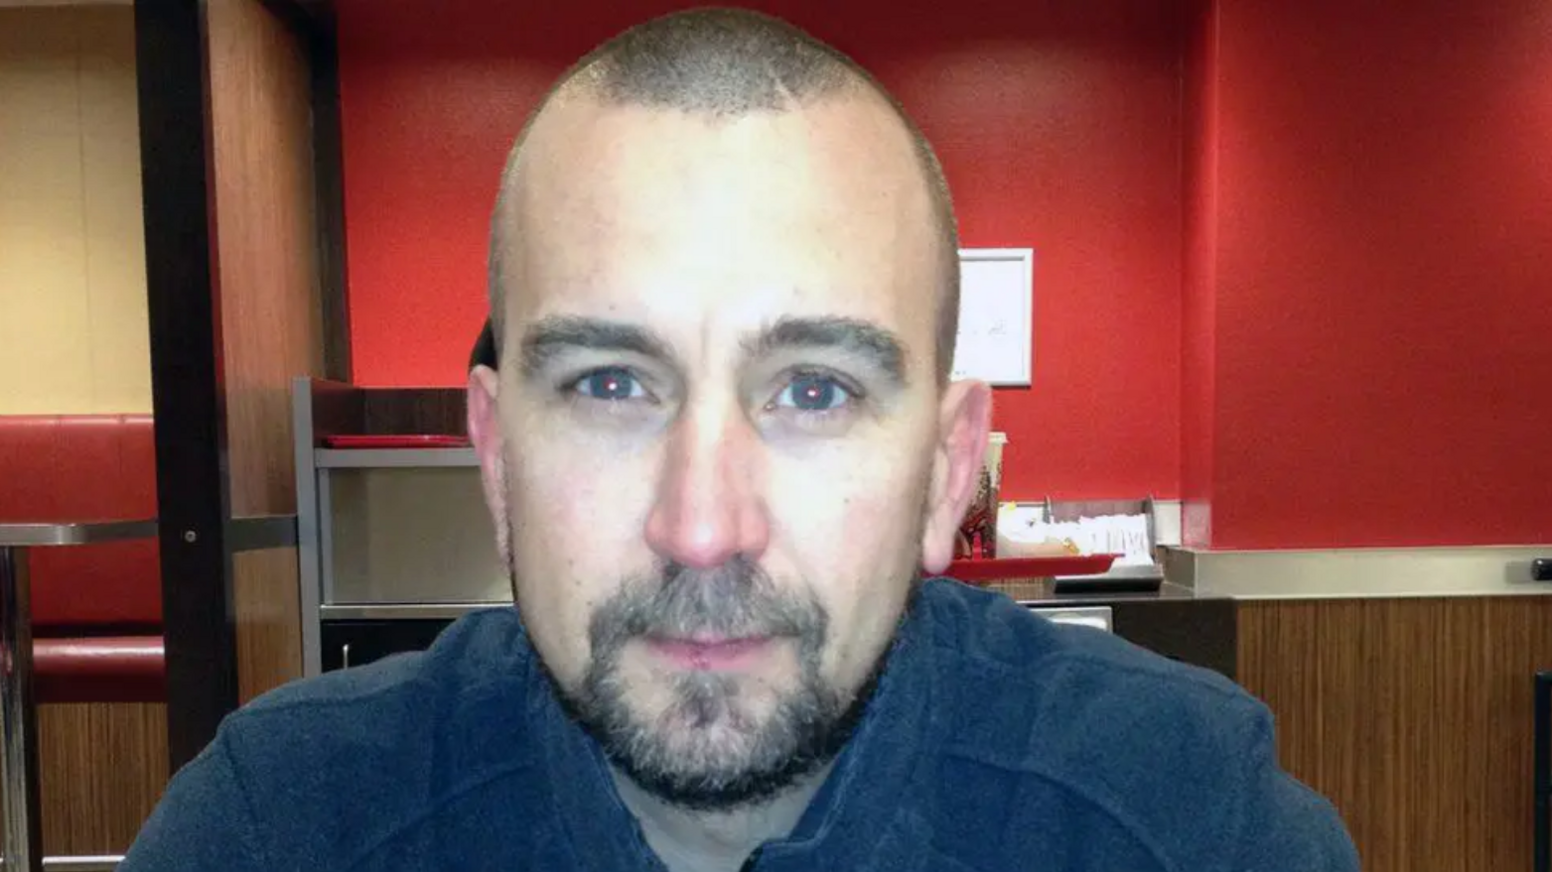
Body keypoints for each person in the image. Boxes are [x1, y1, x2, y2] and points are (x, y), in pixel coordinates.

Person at [121, 8, 1358, 870]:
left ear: (943, 473)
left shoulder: (1190, 824)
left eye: (812, 390)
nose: (702, 521)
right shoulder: (275, 830)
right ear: (496, 461)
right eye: (611, 382)